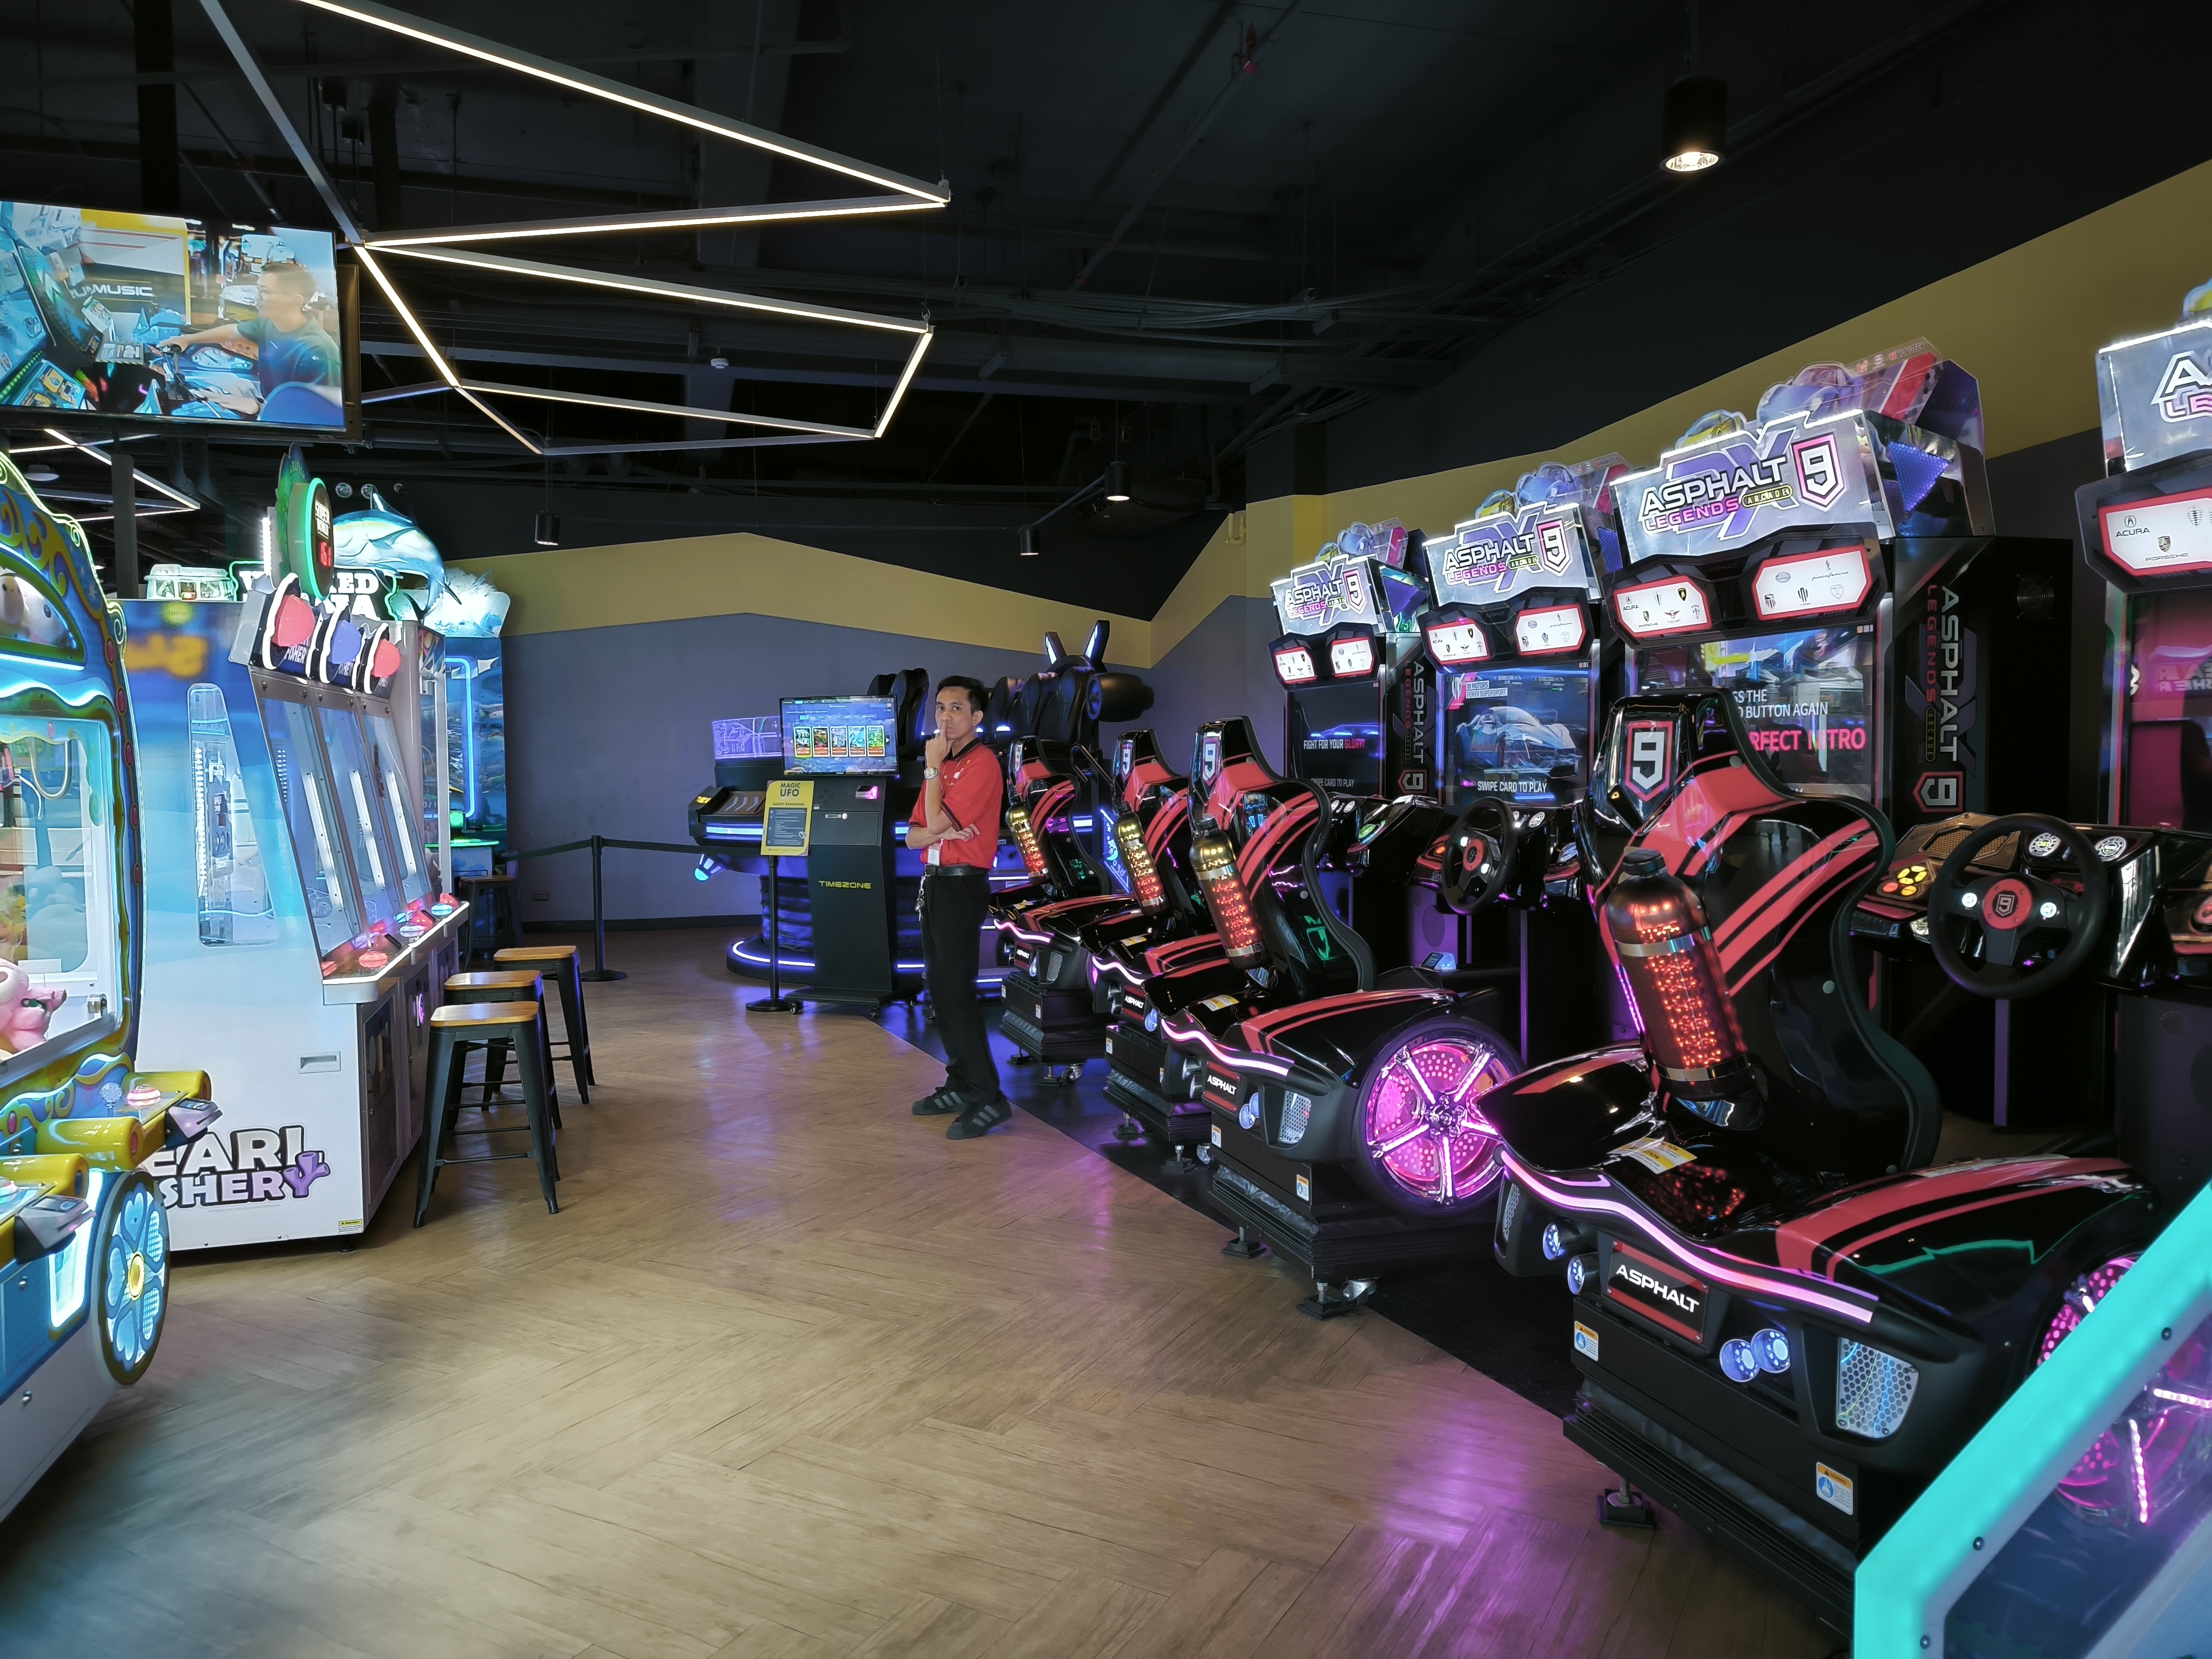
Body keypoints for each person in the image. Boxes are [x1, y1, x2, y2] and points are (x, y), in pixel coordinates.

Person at [907, 676, 1011, 1140]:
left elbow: (933, 821)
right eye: (940, 708)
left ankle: (989, 1095)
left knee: (956, 990)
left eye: (956, 709)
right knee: (940, 989)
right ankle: (962, 1081)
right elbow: (914, 836)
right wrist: (938, 828)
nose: (945, 717)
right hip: (934, 883)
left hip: (962, 884)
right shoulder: (945, 763)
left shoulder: (982, 763)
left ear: (977, 717)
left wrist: (932, 775)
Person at [156, 261, 341, 412]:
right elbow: (232, 332)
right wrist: (187, 339)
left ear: (295, 301)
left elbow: (314, 412)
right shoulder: (269, 323)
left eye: (265, 292)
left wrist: (258, 408)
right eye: (258, 290)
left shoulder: (318, 351)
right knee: (199, 390)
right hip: (264, 394)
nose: (256, 298)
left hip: (283, 411)